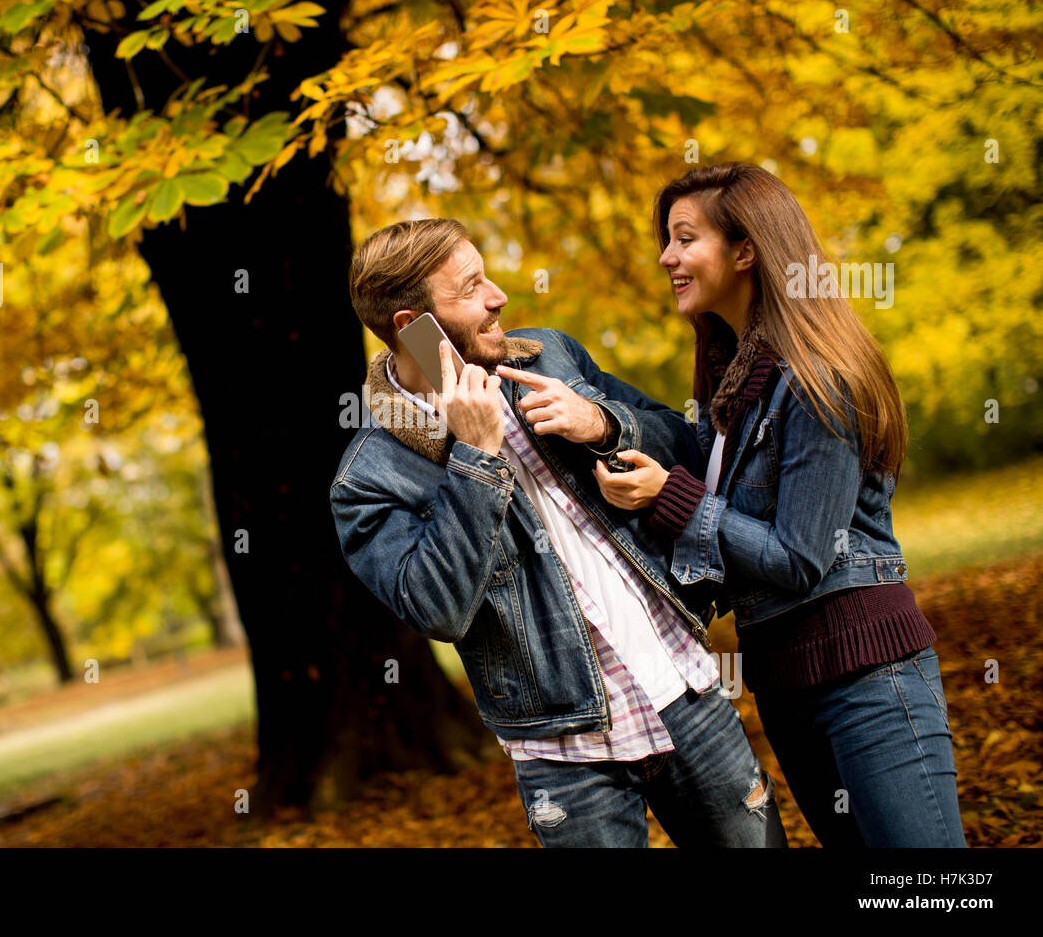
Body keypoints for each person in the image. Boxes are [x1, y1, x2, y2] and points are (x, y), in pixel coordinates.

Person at [330, 218, 786, 847]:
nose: (498, 297)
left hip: (682, 689)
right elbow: (436, 608)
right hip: (561, 752)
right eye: (471, 287)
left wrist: (602, 423)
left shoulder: (549, 353)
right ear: (413, 326)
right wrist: (476, 460)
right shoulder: (369, 475)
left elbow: (683, 440)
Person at [595, 163, 966, 847]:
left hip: (866, 678)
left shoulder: (819, 380)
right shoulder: (732, 386)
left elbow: (799, 558)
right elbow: (726, 542)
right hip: (787, 682)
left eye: (684, 238)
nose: (665, 257)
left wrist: (670, 498)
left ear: (745, 249)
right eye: (666, 241)